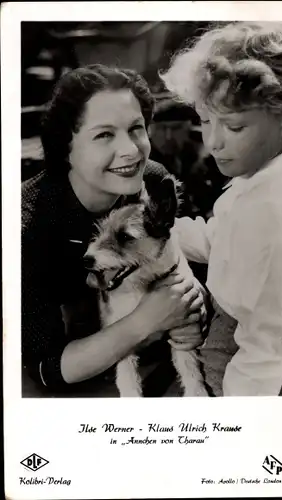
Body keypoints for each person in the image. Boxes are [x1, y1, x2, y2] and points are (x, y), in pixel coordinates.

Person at [22, 64, 205, 396]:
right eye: (104, 134)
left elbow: (176, 250)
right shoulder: (24, 223)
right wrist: (146, 321)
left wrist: (193, 300)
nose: (132, 150)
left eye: (136, 128)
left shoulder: (153, 180)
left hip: (147, 351)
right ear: (66, 147)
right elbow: (45, 369)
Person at [161, 21, 282, 396]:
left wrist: (238, 425)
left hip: (245, 364)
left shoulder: (268, 208)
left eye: (234, 128)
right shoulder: (263, 177)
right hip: (234, 339)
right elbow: (223, 239)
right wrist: (161, 231)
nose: (214, 142)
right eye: (205, 121)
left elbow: (267, 345)